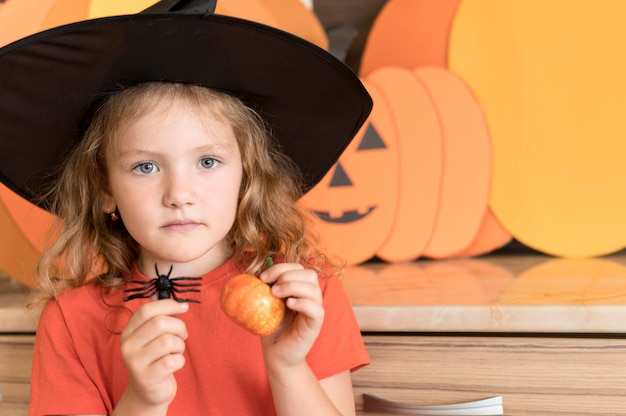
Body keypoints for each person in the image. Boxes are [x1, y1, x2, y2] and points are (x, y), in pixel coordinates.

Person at [0, 1, 373, 415]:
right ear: (103, 185)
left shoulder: (302, 296)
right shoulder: (71, 322)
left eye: (207, 162)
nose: (179, 193)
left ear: (246, 176)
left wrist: (287, 366)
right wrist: (143, 401)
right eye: (145, 166)